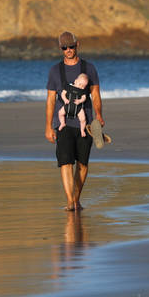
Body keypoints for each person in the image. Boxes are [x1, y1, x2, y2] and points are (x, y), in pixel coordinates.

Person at [45, 31, 104, 211]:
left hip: (84, 124)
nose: (68, 50)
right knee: (65, 162)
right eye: (64, 47)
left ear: (77, 45)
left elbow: (95, 94)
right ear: (61, 49)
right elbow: (51, 100)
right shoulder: (55, 71)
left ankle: (76, 198)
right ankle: (70, 201)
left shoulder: (89, 68)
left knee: (83, 164)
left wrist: (99, 114)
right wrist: (48, 126)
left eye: (71, 46)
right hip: (63, 123)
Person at [57, 72, 91, 137]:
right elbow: (63, 94)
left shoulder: (82, 91)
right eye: (80, 84)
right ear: (75, 81)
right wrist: (65, 100)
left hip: (78, 108)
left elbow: (84, 98)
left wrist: (80, 101)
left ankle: (82, 130)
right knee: (60, 113)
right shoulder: (69, 87)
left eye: (83, 86)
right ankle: (62, 123)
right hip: (67, 105)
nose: (81, 87)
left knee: (83, 119)